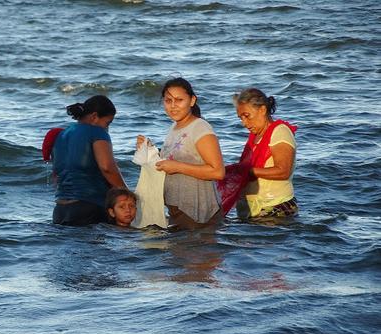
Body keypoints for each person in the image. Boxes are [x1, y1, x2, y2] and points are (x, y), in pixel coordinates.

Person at [138, 77, 225, 230]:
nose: (173, 106)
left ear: (192, 101)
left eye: (179, 100)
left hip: (199, 213)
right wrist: (150, 150)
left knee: (199, 252)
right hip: (177, 210)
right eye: (168, 100)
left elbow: (217, 172)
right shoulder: (174, 127)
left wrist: (177, 167)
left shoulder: (200, 128)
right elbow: (173, 160)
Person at [51, 95, 127, 226]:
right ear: (94, 117)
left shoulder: (61, 135)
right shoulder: (97, 132)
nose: (107, 128)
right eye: (107, 123)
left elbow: (56, 176)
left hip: (60, 209)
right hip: (89, 207)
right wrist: (125, 192)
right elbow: (107, 168)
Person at [233, 88, 298, 219]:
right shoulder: (255, 136)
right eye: (241, 118)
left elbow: (283, 171)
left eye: (247, 116)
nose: (244, 123)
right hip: (253, 209)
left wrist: (249, 171)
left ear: (262, 110)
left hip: (275, 207)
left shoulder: (280, 132)